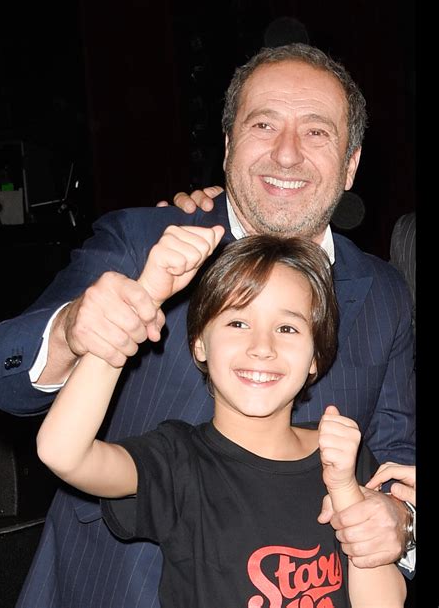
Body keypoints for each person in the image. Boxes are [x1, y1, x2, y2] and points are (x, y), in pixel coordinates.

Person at [0, 43, 415, 608]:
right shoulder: (146, 245)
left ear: (351, 163)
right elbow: (3, 373)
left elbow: (397, 452)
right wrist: (73, 331)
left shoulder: (384, 291)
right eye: (264, 124)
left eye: (316, 132)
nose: (287, 154)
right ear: (229, 145)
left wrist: (400, 521)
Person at [36, 227, 406, 607]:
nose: (262, 346)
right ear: (200, 343)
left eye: (287, 328)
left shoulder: (342, 453)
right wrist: (138, 305)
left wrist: (345, 491)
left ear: (315, 357)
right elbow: (63, 452)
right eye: (237, 323)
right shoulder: (178, 461)